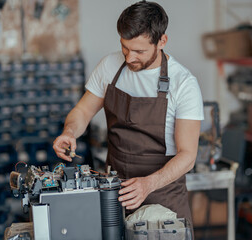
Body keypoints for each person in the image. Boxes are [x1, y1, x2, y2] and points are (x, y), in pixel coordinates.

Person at [53, 0, 203, 229]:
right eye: (125, 47)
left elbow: (187, 155)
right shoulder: (109, 67)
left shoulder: (183, 84)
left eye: (139, 51)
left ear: (161, 41)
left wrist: (148, 184)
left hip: (162, 197)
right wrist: (69, 131)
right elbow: (83, 110)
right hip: (114, 193)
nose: (129, 58)